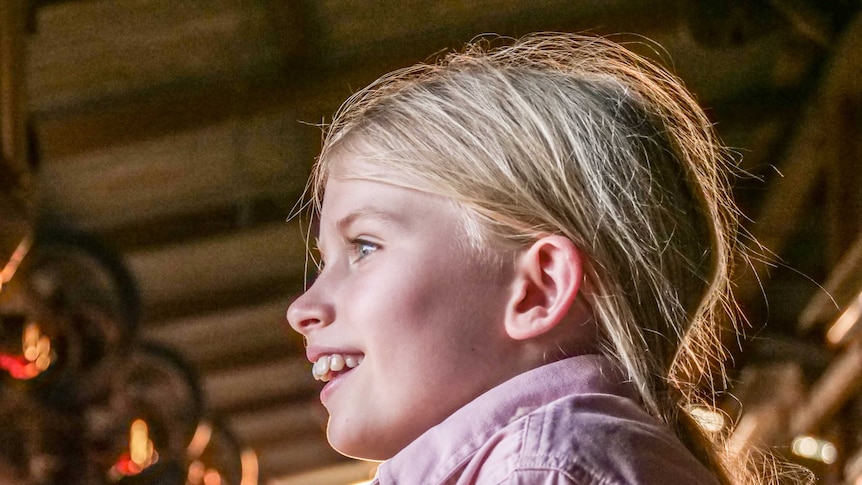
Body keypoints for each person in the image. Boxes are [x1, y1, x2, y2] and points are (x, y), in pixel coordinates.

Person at [287, 33, 794, 484]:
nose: (301, 308)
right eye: (326, 259)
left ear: (539, 288)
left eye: (365, 247)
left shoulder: (543, 467)